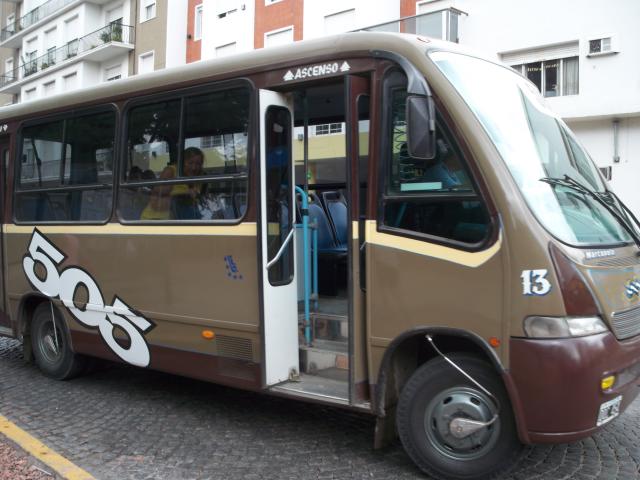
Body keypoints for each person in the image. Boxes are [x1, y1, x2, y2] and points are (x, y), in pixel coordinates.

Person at [140, 147, 204, 220]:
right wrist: (184, 193)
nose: (194, 168)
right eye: (190, 163)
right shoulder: (171, 171)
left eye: (198, 164)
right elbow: (156, 199)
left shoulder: (197, 178)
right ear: (182, 162)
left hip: (175, 220)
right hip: (154, 220)